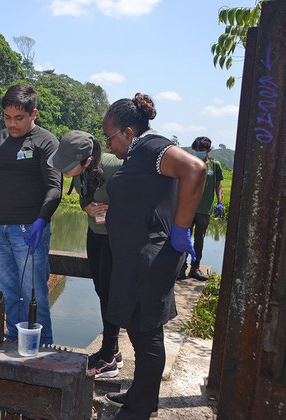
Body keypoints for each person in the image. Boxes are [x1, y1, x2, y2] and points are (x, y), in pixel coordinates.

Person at [101, 93, 206, 419]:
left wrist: (181, 228)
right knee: (137, 327)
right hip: (137, 256)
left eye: (110, 137)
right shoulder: (138, 153)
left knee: (147, 335)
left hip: (151, 256)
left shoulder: (150, 147)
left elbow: (195, 169)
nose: (109, 145)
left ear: (128, 132)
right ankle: (137, 395)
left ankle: (142, 408)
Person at [0, 84, 61, 345]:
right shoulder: (0, 139)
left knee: (33, 292)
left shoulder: (46, 141)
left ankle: (42, 345)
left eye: (19, 118)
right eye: (7, 117)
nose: (12, 124)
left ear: (34, 113)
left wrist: (41, 220)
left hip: (29, 229)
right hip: (0, 228)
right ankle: (13, 340)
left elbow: (55, 188)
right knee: (9, 290)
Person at [48, 130, 124, 377]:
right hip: (95, 235)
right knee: (102, 290)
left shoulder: (116, 167)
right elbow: (83, 197)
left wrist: (117, 212)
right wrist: (86, 206)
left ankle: (109, 356)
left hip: (117, 239)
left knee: (112, 293)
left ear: (88, 160)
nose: (63, 171)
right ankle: (112, 349)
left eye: (67, 166)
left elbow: (142, 199)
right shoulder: (80, 172)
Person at [177, 136, 224, 281]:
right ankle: (181, 268)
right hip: (187, 208)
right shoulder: (189, 163)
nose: (198, 152)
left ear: (209, 150)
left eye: (201, 150)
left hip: (204, 209)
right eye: (196, 150)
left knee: (199, 240)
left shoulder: (215, 165)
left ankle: (195, 268)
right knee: (184, 239)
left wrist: (220, 202)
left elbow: (218, 185)